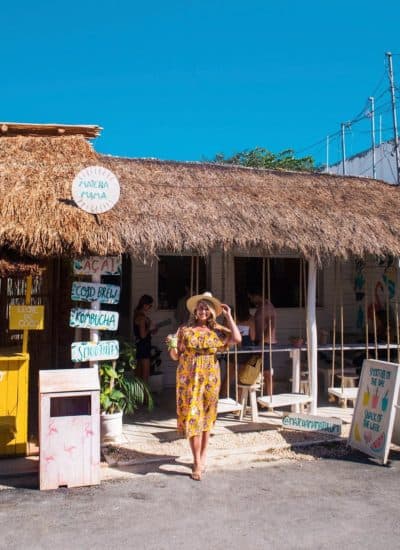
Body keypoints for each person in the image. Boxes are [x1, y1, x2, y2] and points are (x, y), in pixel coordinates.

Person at [167, 291, 241, 481]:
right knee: (193, 417)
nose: (202, 310)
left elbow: (237, 339)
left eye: (206, 308)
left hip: (210, 377)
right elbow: (175, 356)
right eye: (199, 307)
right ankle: (197, 462)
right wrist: (171, 346)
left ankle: (203, 456)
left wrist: (229, 316)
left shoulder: (216, 330)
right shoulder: (184, 330)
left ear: (210, 312)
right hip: (188, 377)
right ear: (194, 310)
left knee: (207, 418)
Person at [248, 290, 277, 395]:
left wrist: (262, 341)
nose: (251, 300)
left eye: (252, 297)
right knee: (255, 369)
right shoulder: (261, 307)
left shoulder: (267, 308)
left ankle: (269, 398)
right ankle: (262, 396)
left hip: (265, 343)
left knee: (267, 372)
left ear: (258, 296)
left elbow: (271, 326)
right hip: (260, 343)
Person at [133, 294, 157, 382]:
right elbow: (143, 335)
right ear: (145, 305)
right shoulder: (142, 318)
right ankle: (145, 395)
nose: (150, 308)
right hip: (144, 345)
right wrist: (149, 327)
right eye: (150, 305)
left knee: (139, 372)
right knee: (145, 373)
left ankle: (138, 393)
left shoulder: (137, 314)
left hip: (139, 345)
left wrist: (151, 330)